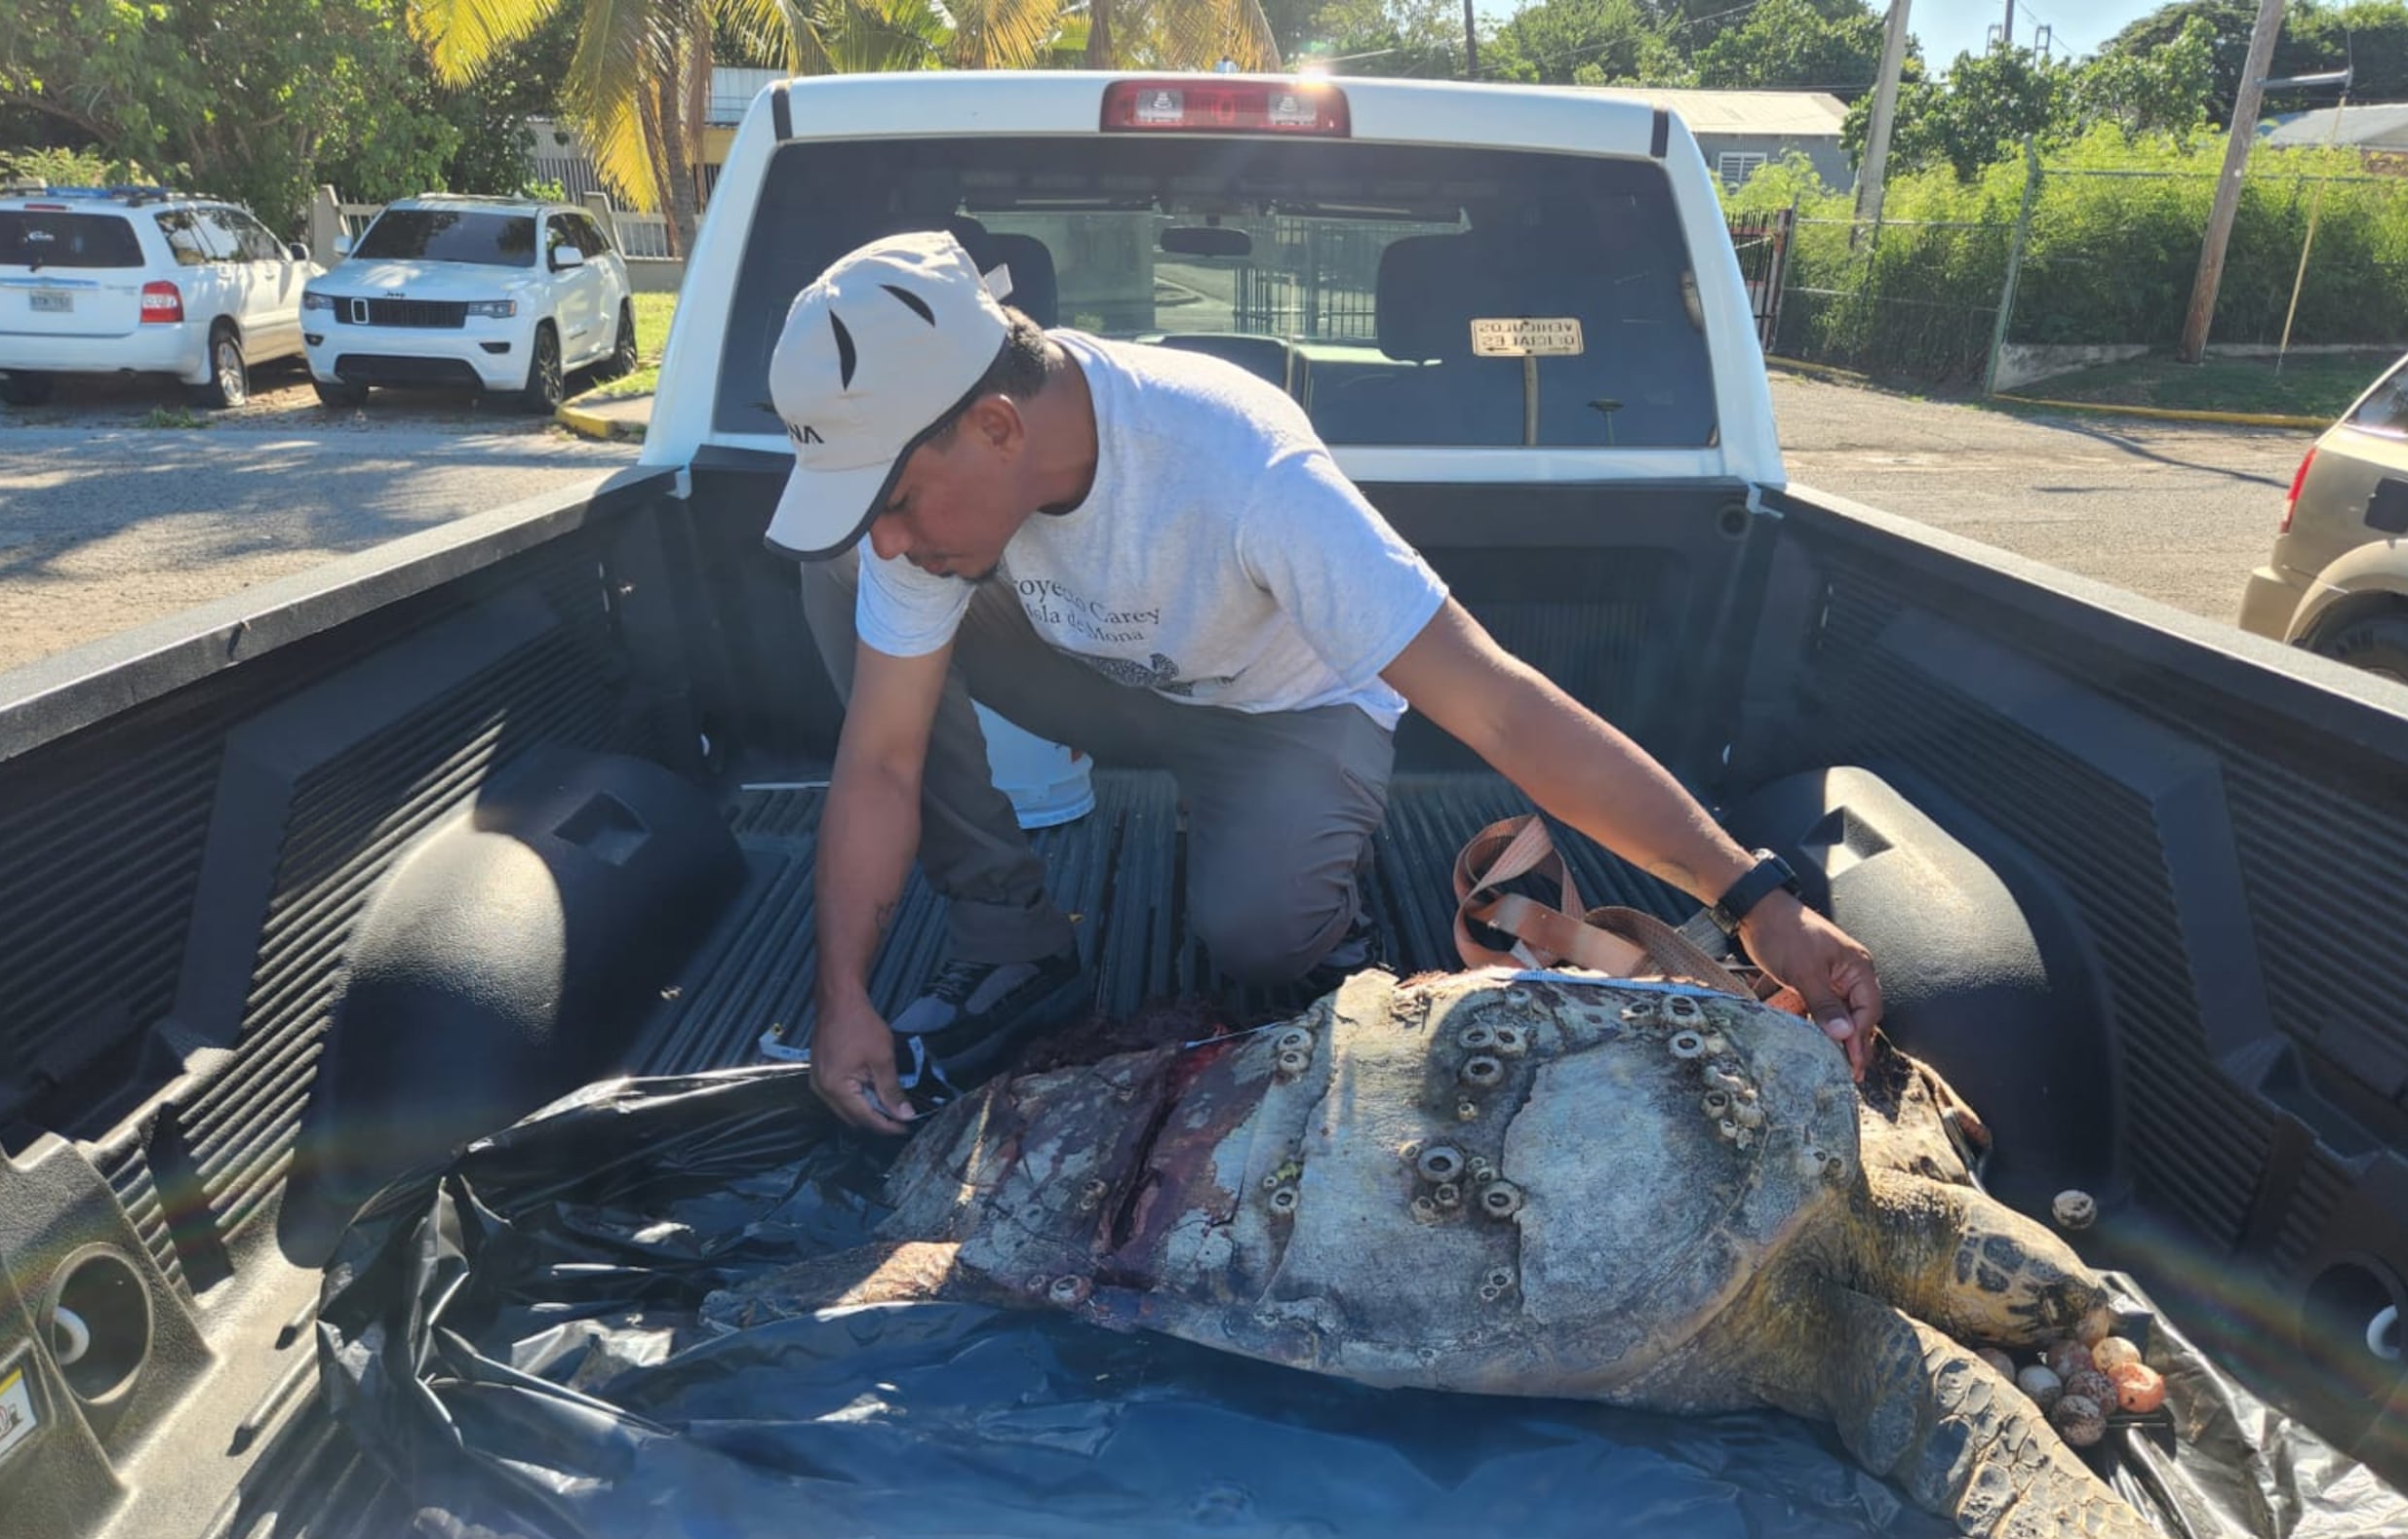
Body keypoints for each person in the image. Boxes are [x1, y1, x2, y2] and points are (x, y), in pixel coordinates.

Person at [765, 229, 1880, 1134]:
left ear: (997, 426)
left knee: (1258, 938)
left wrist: (1757, 902)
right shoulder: (931, 508)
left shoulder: (1241, 468)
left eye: (899, 499)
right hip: (1102, 678)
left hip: (1280, 710)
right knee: (842, 580)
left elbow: (1497, 703)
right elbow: (881, 759)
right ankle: (1015, 949)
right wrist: (843, 997)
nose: (895, 537)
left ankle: (1298, 879)